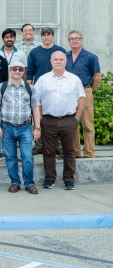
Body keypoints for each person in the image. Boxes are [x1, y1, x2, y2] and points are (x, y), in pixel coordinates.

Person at [35, 51, 86, 190]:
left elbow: (81, 99)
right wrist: (40, 120)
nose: (58, 62)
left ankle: (69, 180)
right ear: (51, 61)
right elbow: (36, 101)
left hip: (68, 120)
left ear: (65, 61)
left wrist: (76, 118)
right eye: (55, 59)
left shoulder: (74, 79)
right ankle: (49, 178)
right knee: (48, 151)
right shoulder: (43, 79)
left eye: (61, 59)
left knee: (69, 151)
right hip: (48, 120)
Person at [0, 54, 41, 194]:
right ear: (10, 70)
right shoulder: (2, 87)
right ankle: (14, 182)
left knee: (27, 157)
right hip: (6, 127)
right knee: (10, 157)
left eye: (20, 69)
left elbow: (35, 108)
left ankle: (29, 183)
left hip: (24, 127)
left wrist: (37, 127)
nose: (17, 71)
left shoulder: (30, 88)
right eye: (14, 69)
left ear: (24, 71)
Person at [65, 31, 101, 159]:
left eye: (77, 38)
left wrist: (89, 91)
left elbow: (97, 77)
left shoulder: (91, 57)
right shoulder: (65, 56)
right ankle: (75, 152)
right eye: (72, 39)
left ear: (82, 40)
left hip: (85, 91)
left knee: (87, 123)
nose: (74, 40)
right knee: (72, 123)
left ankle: (89, 152)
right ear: (69, 41)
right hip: (69, 93)